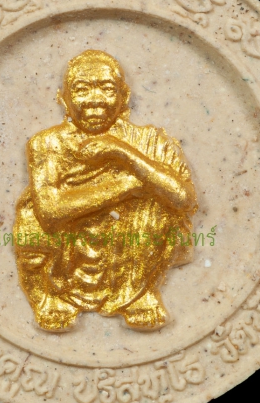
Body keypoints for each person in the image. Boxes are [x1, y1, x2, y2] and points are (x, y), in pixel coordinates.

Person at [13, 50, 198, 331]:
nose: (95, 100)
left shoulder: (148, 142)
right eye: (82, 90)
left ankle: (138, 293)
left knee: (159, 203)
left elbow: (183, 199)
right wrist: (127, 185)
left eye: (107, 89)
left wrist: (122, 152)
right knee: (31, 219)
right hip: (67, 243)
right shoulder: (46, 144)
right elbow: (50, 213)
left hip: (129, 242)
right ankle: (54, 296)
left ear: (124, 97)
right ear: (64, 99)